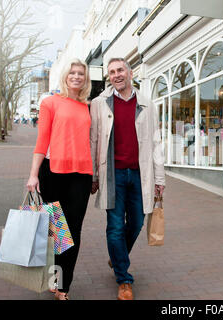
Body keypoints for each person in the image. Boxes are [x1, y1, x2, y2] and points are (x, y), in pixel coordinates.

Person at [90, 57, 165, 300]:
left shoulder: (146, 103)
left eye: (120, 70)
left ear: (130, 73)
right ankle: (123, 279)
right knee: (114, 228)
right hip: (113, 175)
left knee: (137, 223)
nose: (116, 75)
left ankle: (117, 257)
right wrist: (93, 174)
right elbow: (94, 140)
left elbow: (155, 141)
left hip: (140, 174)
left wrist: (159, 178)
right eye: (111, 72)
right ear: (108, 77)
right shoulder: (100, 103)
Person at [26, 58, 93, 300]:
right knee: (58, 232)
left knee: (73, 233)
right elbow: (42, 141)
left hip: (81, 176)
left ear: (86, 79)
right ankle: (56, 279)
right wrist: (33, 175)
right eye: (72, 72)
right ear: (65, 75)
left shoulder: (88, 106)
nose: (76, 76)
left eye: (81, 74)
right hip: (53, 173)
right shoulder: (50, 103)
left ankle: (63, 288)